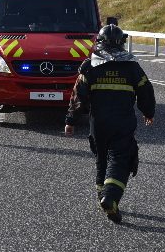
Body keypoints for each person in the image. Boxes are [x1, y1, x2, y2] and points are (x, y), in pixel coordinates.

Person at [64, 24, 155, 224]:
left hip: (98, 124)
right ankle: (110, 197)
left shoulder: (90, 66)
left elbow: (78, 95)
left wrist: (70, 120)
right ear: (122, 43)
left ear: (99, 43)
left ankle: (103, 199)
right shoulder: (132, 67)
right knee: (121, 158)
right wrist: (149, 112)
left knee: (102, 159)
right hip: (122, 122)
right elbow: (146, 91)